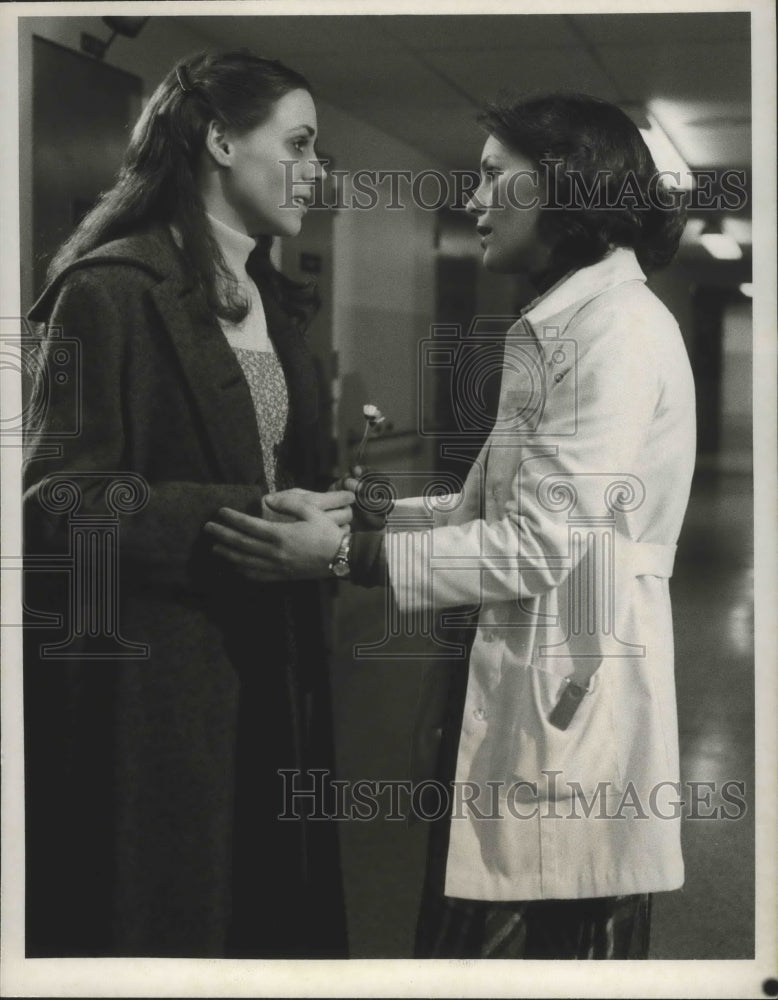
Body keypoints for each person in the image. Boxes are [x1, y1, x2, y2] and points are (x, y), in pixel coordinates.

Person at [206, 91, 695, 959]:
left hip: (573, 697)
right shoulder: (565, 321)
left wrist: (345, 557)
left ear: (564, 189)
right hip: (532, 687)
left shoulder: (617, 332)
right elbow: (492, 510)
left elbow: (543, 545)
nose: (473, 200)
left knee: (547, 954)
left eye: (495, 178)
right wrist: (374, 515)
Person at [23, 49, 353, 958]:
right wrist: (241, 517)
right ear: (219, 140)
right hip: (161, 690)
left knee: (268, 916)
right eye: (299, 143)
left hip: (272, 662)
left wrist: (327, 512)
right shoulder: (107, 290)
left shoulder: (270, 299)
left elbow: (276, 462)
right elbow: (57, 502)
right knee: (180, 918)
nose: (317, 171)